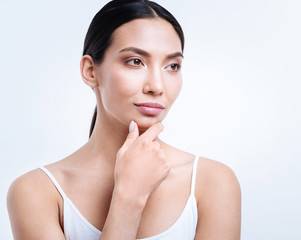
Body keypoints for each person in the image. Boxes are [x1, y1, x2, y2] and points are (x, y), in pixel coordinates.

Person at [7, 0, 241, 239]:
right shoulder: (37, 192)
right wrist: (128, 197)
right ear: (90, 71)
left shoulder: (212, 182)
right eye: (135, 61)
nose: (157, 86)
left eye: (172, 65)